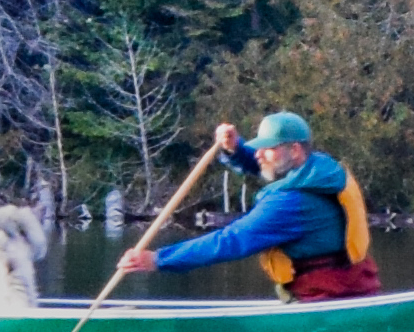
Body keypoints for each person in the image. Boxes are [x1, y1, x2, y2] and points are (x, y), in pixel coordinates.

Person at [138, 112, 375, 298]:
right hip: (352, 286)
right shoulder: (321, 169)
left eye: (268, 148)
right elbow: (265, 163)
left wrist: (159, 259)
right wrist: (235, 149)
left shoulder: (288, 204)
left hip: (324, 294)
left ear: (295, 149)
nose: (259, 154)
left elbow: (229, 241)